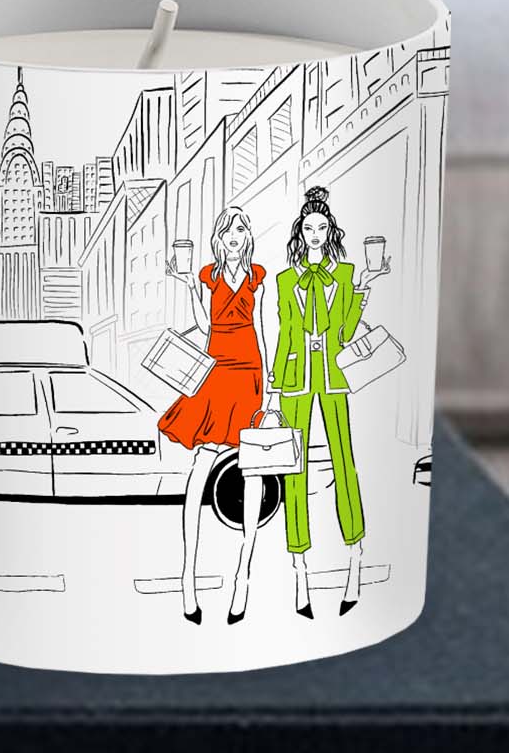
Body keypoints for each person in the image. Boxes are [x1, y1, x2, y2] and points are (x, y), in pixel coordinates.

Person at [272, 185, 389, 617]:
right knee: (294, 470)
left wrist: (364, 288)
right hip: (295, 380)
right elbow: (286, 332)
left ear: (330, 231)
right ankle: (299, 569)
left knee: (344, 461)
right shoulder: (286, 280)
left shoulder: (344, 275)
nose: (316, 234)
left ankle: (355, 556)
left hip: (334, 376)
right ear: (300, 232)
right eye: (309, 228)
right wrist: (275, 383)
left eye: (322, 227)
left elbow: (346, 331)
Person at [160, 206, 271, 627]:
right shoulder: (208, 276)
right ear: (218, 239)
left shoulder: (257, 277)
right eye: (228, 231)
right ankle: (187, 578)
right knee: (201, 465)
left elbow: (262, 330)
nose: (235, 236)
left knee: (253, 468)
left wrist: (269, 388)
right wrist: (189, 284)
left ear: (248, 236)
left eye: (241, 229)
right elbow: (203, 324)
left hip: (249, 373)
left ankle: (243, 577)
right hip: (217, 370)